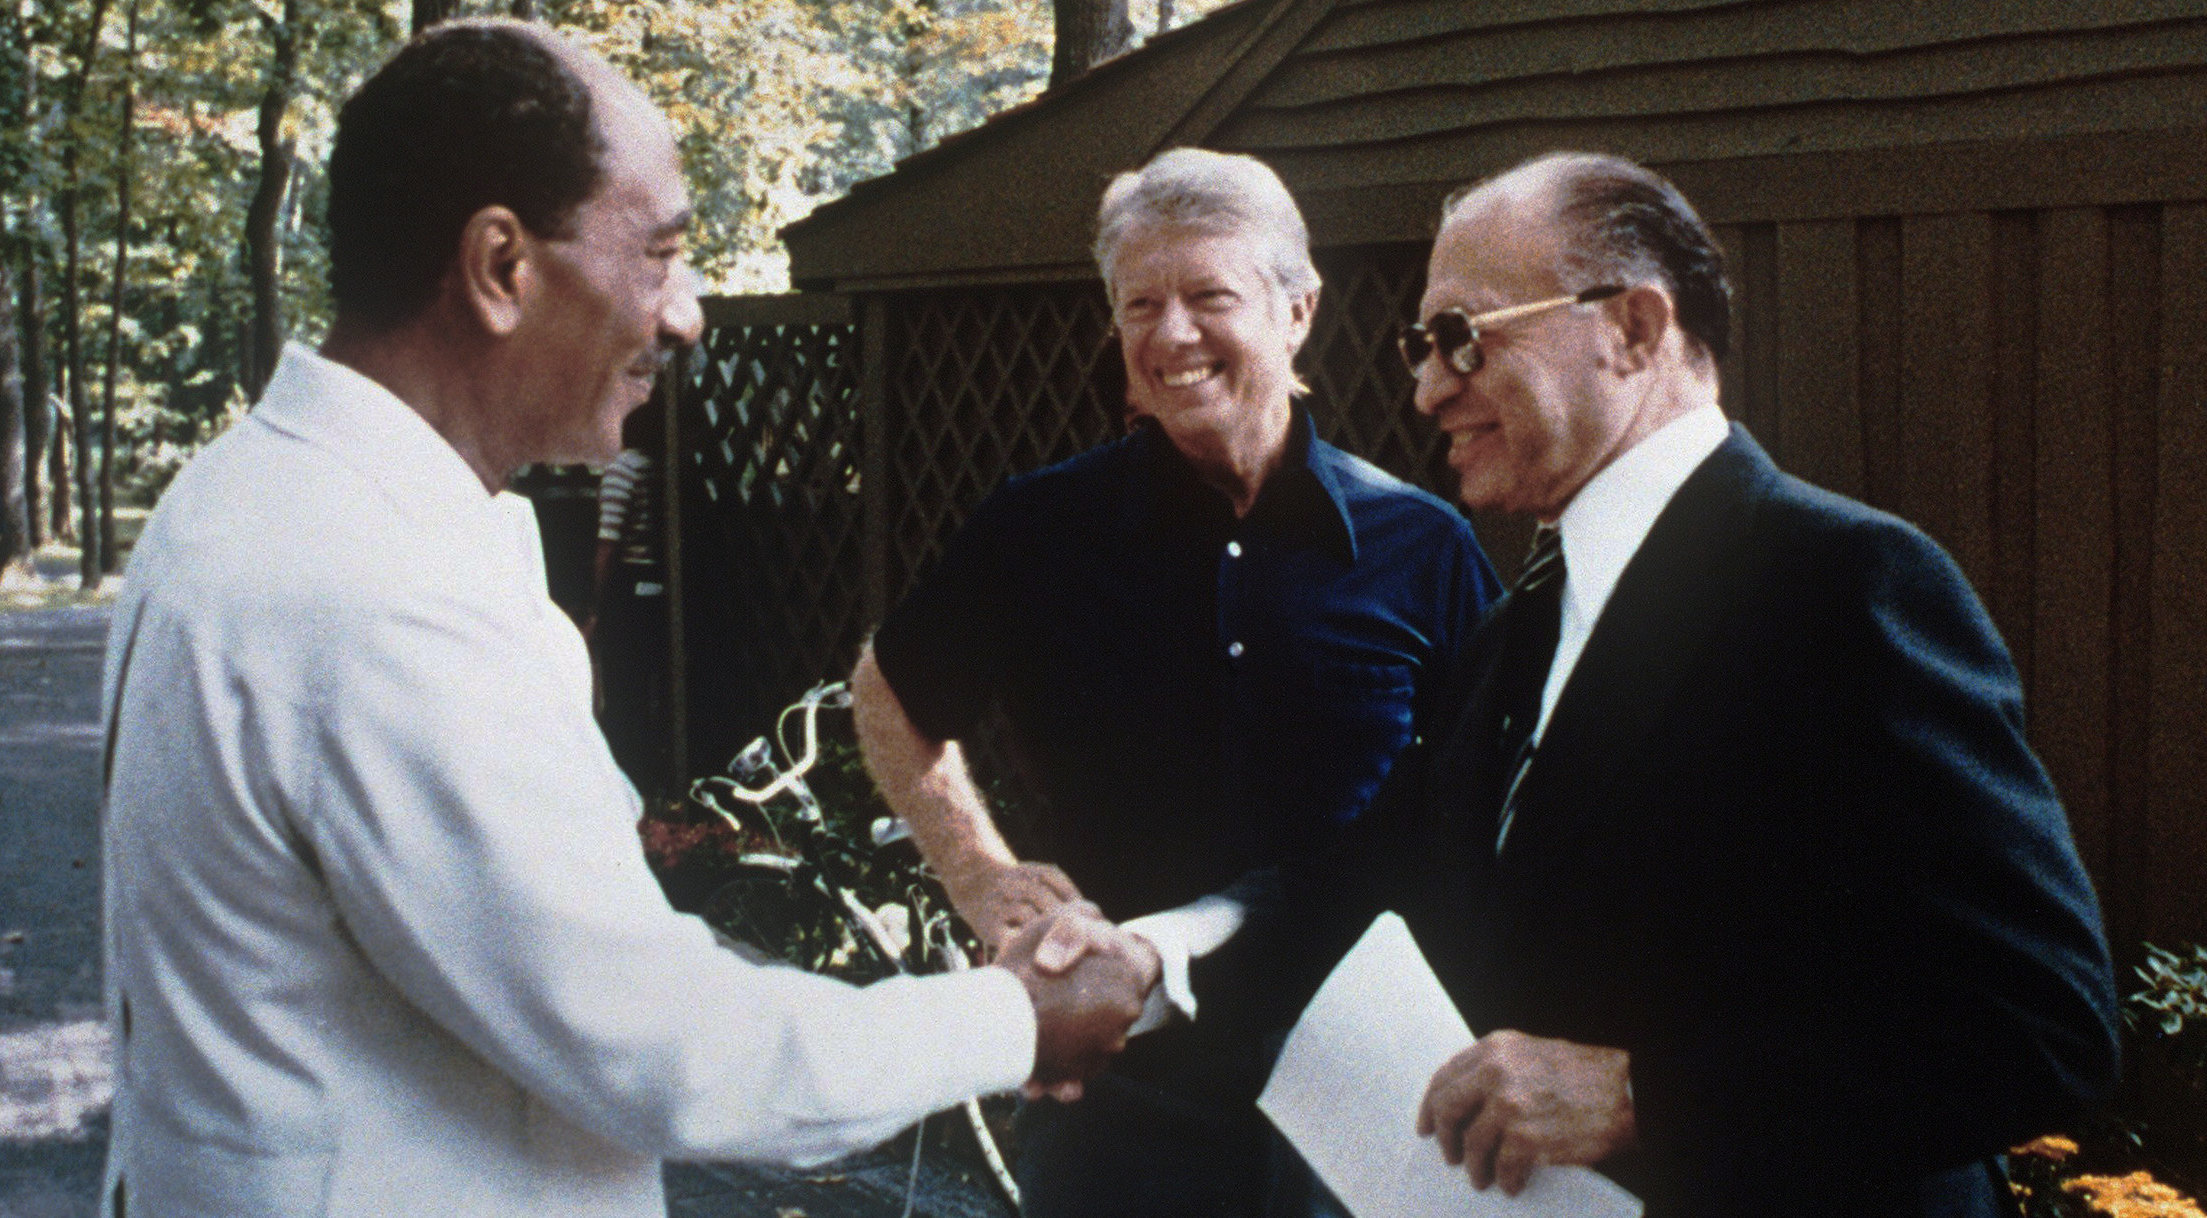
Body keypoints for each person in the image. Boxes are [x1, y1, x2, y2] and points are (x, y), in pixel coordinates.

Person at [97, 22, 1148, 1217]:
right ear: (501, 267)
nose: (688, 314)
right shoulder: (375, 592)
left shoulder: (252, 496)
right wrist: (1010, 1020)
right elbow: (662, 1052)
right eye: (658, 256)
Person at [1217, 150, 2122, 1216]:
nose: (1424, 388)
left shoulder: (1841, 584)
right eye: (1421, 346)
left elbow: (2040, 1026)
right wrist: (1136, 962)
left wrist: (1645, 1092)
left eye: (1461, 336)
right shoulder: (1518, 631)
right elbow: (1361, 882)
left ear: (1633, 330)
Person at [852, 147, 1500, 1217]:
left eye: (1208, 296)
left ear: (1296, 311)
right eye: (1138, 303)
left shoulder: (1420, 546)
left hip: (1366, 1083)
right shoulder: (1040, 528)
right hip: (1118, 1094)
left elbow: (1482, 801)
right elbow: (889, 690)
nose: (1169, 335)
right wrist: (976, 872)